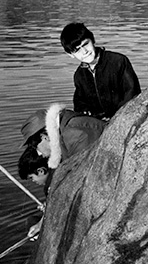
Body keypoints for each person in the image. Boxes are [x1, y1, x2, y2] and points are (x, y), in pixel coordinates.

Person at [18, 102, 106, 238]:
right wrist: (43, 221)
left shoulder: (76, 135)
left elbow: (85, 180)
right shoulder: (64, 133)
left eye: (37, 147)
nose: (40, 154)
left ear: (44, 137)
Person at [60, 22, 140, 120]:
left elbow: (132, 92)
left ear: (93, 39)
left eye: (85, 44)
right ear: (71, 55)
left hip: (122, 118)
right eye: (77, 50)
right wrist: (86, 112)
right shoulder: (79, 75)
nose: (84, 51)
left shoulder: (118, 61)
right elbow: (79, 103)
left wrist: (116, 117)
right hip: (97, 122)